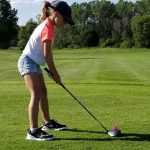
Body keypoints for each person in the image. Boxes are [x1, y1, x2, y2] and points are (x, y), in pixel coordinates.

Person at [18, 0, 75, 141]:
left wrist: (53, 72)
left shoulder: (48, 25)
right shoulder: (47, 28)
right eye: (65, 19)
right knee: (36, 93)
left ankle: (47, 123)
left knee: (43, 91)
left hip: (34, 63)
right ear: (56, 14)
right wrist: (55, 73)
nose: (66, 23)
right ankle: (33, 131)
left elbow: (43, 56)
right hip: (27, 61)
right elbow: (47, 55)